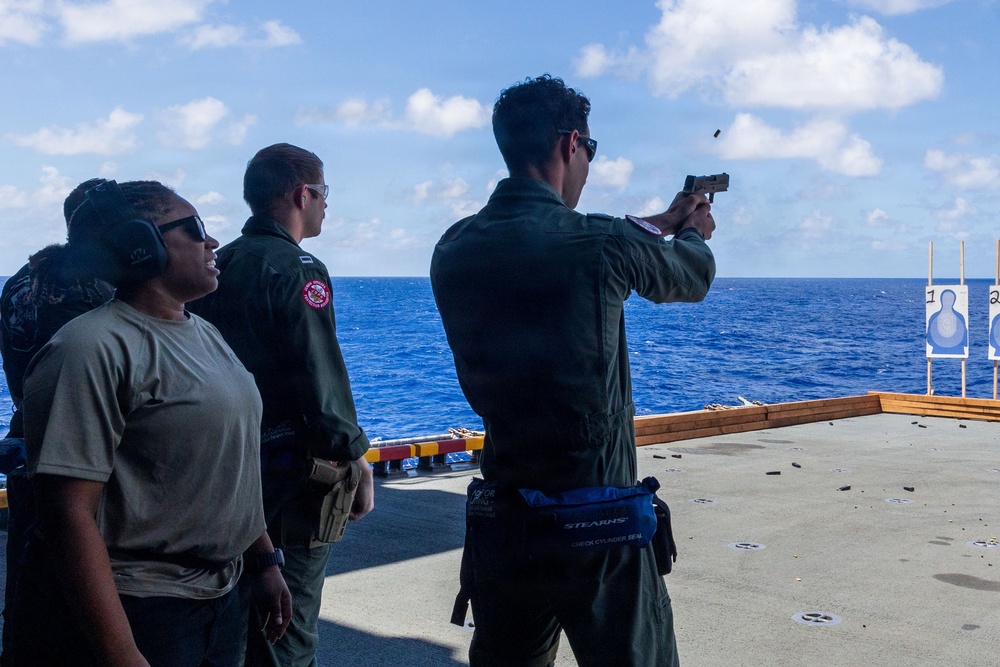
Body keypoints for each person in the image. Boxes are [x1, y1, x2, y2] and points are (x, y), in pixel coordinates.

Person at [430, 74, 717, 667]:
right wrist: (692, 231)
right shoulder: (600, 243)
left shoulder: (454, 246)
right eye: (591, 150)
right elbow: (689, 276)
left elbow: (577, 242)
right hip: (598, 528)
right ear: (570, 145)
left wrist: (662, 218)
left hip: (506, 520)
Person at [8, 180, 291, 666]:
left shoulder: (201, 331)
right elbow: (67, 515)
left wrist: (263, 560)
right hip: (145, 610)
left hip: (219, 597)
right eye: (196, 227)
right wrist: (122, 654)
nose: (212, 241)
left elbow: (231, 463)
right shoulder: (91, 348)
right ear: (143, 245)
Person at [189, 143, 373, 666]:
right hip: (290, 481)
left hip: (222, 470)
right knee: (286, 627)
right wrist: (356, 460)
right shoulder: (299, 270)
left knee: (237, 619)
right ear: (301, 194)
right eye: (323, 193)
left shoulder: (217, 266)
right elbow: (319, 377)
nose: (325, 206)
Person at [0, 177, 114, 665]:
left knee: (30, 584)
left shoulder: (25, 281)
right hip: (90, 452)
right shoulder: (108, 286)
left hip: (30, 440)